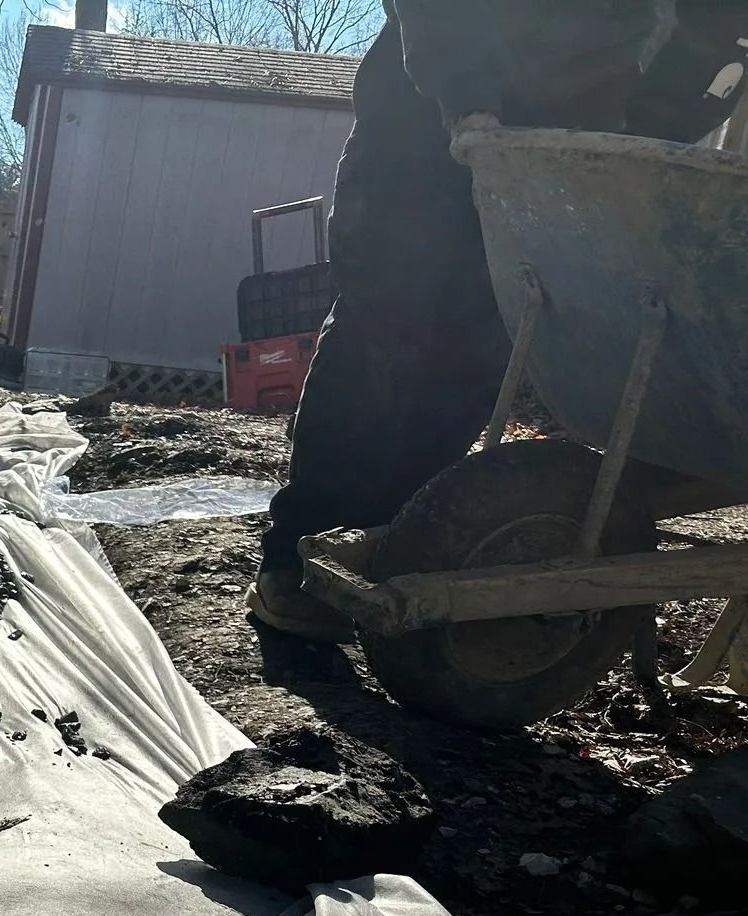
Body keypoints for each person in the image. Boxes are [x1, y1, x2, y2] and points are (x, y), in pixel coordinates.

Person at [248, 1, 748, 641]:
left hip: (563, 155)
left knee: (486, 345)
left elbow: (718, 27)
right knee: (384, 328)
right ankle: (300, 551)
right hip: (422, 128)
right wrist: (467, 94)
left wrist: (650, 131)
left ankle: (403, 544)